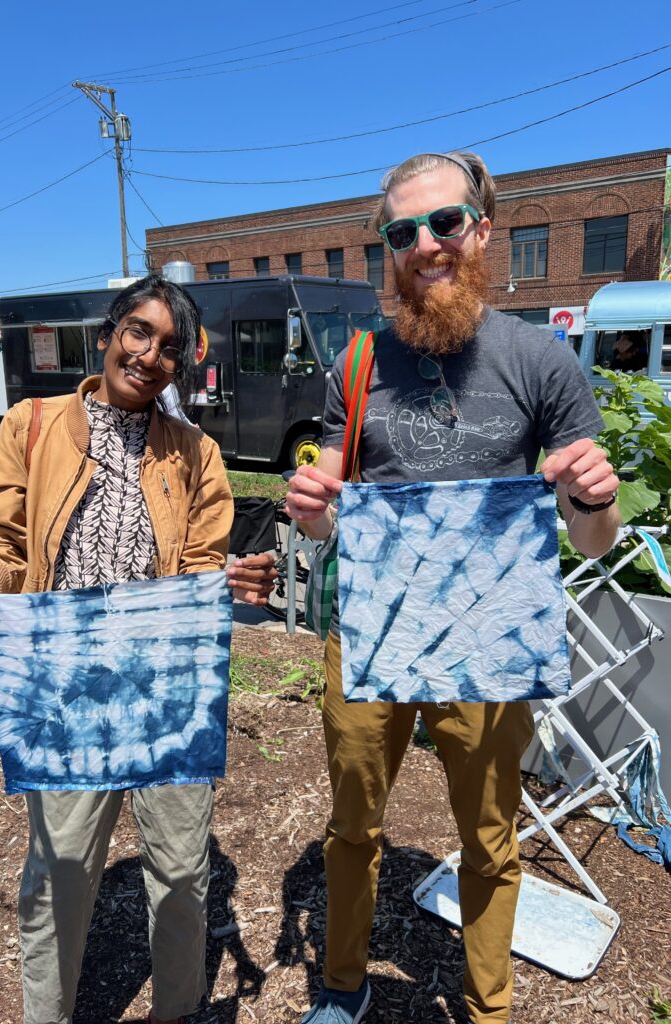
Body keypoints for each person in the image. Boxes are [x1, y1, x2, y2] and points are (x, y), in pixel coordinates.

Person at [285, 151, 620, 1024]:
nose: (425, 243)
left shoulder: (540, 359)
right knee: (353, 826)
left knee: (490, 837)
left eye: (444, 223)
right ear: (388, 249)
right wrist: (313, 507)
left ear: (482, 229)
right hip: (370, 631)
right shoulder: (357, 363)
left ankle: (486, 1007)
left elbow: (589, 539)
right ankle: (343, 986)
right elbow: (326, 515)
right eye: (403, 231)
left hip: (489, 636)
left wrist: (596, 499)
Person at [0, 274, 276, 1024]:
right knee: (59, 872)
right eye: (138, 333)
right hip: (64, 686)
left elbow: (194, 570)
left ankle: (176, 1010)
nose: (150, 356)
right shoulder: (33, 424)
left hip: (165, 688)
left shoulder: (197, 454)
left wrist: (229, 580)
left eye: (170, 348)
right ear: (110, 334)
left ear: (181, 365)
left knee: (184, 870)